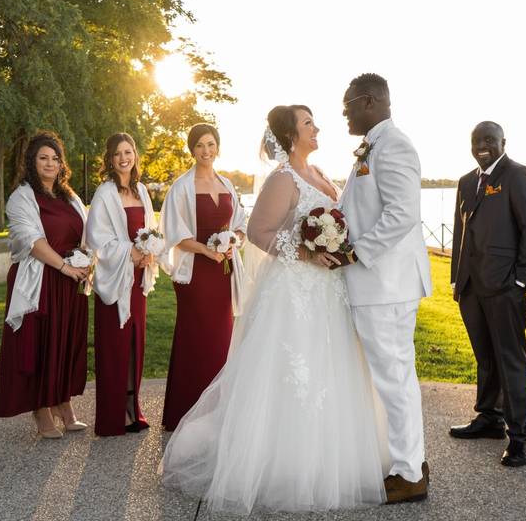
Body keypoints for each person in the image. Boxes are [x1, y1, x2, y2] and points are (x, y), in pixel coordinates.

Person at [160, 105, 387, 515]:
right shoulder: (282, 179)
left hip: (329, 289)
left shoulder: (319, 174)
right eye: (308, 123)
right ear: (289, 134)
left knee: (331, 366)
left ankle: (335, 458)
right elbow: (261, 232)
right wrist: (305, 250)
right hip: (294, 290)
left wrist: (333, 243)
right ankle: (283, 464)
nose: (317, 128)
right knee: (292, 369)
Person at [335, 73, 433, 504]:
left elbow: (403, 214)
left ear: (370, 101)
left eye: (348, 104)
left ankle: (410, 473)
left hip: (385, 284)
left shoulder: (394, 146)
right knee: (395, 376)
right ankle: (409, 458)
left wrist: (356, 252)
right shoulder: (373, 146)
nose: (344, 112)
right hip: (378, 285)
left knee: (394, 378)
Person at [449, 121, 526, 467]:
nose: (482, 146)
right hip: (471, 287)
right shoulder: (465, 182)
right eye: (477, 140)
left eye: (489, 140)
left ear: (503, 142)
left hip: (505, 286)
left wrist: (521, 279)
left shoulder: (519, 176)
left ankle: (521, 437)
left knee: (511, 360)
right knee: (485, 356)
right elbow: (462, 232)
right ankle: (489, 417)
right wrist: (456, 281)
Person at [0, 131, 90, 439]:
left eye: (55, 158)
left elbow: (85, 234)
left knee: (65, 342)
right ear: (31, 162)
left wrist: (85, 262)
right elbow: (31, 241)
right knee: (42, 344)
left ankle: (63, 403)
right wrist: (63, 266)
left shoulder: (69, 196)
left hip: (70, 281)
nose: (50, 164)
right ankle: (41, 409)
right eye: (43, 158)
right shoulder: (22, 196)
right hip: (42, 280)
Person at [159, 124, 248, 431]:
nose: (206, 151)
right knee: (195, 338)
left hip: (223, 272)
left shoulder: (227, 183)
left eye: (211, 144)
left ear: (218, 147)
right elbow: (176, 233)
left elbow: (241, 224)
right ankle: (184, 411)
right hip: (196, 274)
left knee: (221, 338)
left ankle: (217, 412)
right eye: (199, 145)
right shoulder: (181, 187)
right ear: (192, 150)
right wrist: (208, 251)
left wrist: (232, 241)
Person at [85, 133, 160, 436]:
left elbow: (151, 229)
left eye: (128, 152)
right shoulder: (104, 193)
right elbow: (97, 237)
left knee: (134, 344)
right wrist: (131, 253)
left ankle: (132, 409)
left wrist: (149, 252)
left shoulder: (142, 190)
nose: (123, 158)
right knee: (114, 346)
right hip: (115, 279)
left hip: (137, 277)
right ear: (110, 159)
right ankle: (111, 416)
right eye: (117, 153)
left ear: (135, 155)